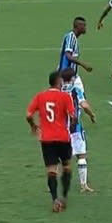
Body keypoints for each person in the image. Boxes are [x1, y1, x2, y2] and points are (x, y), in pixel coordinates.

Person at [26, 71, 77, 212]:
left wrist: (33, 126)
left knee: (51, 170)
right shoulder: (65, 97)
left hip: (47, 139)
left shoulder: (40, 96)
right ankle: (64, 197)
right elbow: (73, 116)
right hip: (62, 137)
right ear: (59, 82)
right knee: (67, 166)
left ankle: (55, 199)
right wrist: (72, 126)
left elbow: (28, 114)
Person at [60, 68, 97, 193]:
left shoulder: (57, 91)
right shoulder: (75, 90)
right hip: (75, 128)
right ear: (72, 79)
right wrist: (92, 115)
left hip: (60, 129)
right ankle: (83, 185)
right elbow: (84, 105)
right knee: (81, 155)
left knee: (60, 157)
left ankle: (53, 184)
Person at [58, 17, 93, 93]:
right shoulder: (71, 37)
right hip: (66, 76)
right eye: (84, 25)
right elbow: (68, 55)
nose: (85, 28)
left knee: (80, 98)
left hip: (73, 75)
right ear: (78, 26)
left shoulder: (74, 38)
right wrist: (83, 64)